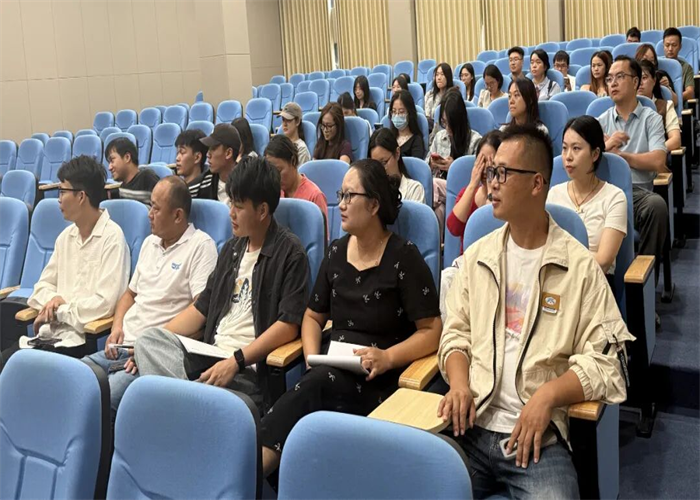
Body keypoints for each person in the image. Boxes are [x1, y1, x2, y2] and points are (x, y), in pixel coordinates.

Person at [438, 125, 633, 499]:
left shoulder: (578, 267)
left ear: (537, 183)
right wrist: (460, 383)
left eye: (502, 173)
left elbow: (609, 363)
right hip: (471, 425)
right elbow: (456, 333)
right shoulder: (478, 258)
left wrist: (547, 396)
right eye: (491, 172)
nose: (492, 184)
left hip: (537, 438)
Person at [259, 159, 442, 477]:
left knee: (310, 392)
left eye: (349, 196)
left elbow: (432, 330)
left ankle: (246, 475)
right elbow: (312, 317)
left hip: (380, 378)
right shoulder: (336, 253)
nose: (340, 205)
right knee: (314, 386)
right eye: (339, 195)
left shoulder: (404, 257)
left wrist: (388, 357)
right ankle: (258, 473)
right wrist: (311, 358)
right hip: (330, 370)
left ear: (373, 205)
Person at [133, 157, 310, 416]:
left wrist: (236, 361)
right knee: (148, 340)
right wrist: (157, 340)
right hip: (208, 355)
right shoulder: (232, 249)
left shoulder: (290, 253)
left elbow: (288, 324)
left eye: (238, 206)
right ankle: (191, 403)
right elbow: (201, 308)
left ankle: (183, 405)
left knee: (155, 396)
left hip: (246, 370)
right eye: (231, 203)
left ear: (262, 211)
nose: (231, 213)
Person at [83, 176, 218, 417]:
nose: (149, 214)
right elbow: (129, 294)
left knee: (103, 399)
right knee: (76, 379)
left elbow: (201, 310)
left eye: (155, 208)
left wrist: (150, 347)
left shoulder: (200, 246)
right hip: (122, 347)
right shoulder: (149, 243)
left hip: (154, 354)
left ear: (177, 215)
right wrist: (116, 326)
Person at [0, 156, 130, 364]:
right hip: (47, 337)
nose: (58, 199)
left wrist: (60, 310)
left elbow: (105, 304)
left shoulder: (112, 238)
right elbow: (41, 288)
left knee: (19, 372)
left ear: (81, 196)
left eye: (62, 191)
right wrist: (54, 300)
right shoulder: (65, 237)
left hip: (79, 342)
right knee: (5, 364)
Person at [597, 56, 668, 280]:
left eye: (620, 77)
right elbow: (587, 160)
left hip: (637, 193)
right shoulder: (600, 122)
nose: (613, 83)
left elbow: (658, 161)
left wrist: (620, 157)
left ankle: (643, 288)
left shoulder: (651, 119)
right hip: (605, 191)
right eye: (609, 78)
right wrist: (606, 146)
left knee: (656, 206)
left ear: (636, 81)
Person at [547, 117, 627, 278]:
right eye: (564, 148)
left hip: (596, 282)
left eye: (576, 148)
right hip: (556, 281)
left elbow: (603, 261)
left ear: (595, 154)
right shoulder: (553, 195)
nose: (568, 156)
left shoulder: (614, 197)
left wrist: (560, 261)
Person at [427, 89, 482, 237]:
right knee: (438, 211)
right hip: (442, 194)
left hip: (463, 191)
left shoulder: (475, 141)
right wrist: (432, 163)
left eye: (451, 123)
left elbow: (479, 179)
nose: (447, 128)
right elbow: (426, 167)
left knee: (433, 185)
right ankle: (439, 248)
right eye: (444, 122)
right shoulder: (439, 137)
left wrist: (455, 168)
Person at [446, 131, 502, 251]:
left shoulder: (506, 198)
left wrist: (491, 189)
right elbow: (454, 228)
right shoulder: (467, 192)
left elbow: (489, 230)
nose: (486, 169)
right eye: (482, 161)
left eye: (491, 163)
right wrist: (472, 185)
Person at [265, 135, 328, 227]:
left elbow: (321, 235)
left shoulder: (315, 196)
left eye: (278, 171)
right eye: (272, 172)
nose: (276, 177)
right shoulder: (273, 193)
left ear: (293, 161)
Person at [369, 128, 425, 203]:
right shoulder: (371, 191)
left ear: (397, 153)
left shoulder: (414, 190)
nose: (380, 169)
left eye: (384, 162)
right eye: (376, 165)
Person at [637, 60, 682, 152]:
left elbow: (675, 140)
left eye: (644, 78)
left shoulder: (666, 106)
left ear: (654, 81)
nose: (640, 83)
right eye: (637, 79)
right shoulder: (626, 106)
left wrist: (652, 152)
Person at [106, 137, 159, 206]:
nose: (109, 168)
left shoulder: (147, 177)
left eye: (112, 161)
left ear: (127, 157)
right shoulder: (122, 187)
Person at [199, 123, 242, 205]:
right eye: (208, 149)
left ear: (228, 153)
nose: (208, 154)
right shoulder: (202, 184)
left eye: (213, 148)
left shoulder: (247, 185)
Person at [175, 129, 214, 199]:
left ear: (197, 157)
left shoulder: (208, 190)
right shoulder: (175, 188)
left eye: (182, 152)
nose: (177, 158)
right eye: (177, 153)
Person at [388, 90, 426, 159]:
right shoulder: (389, 137)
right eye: (394, 111)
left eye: (401, 112)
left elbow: (416, 163)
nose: (397, 115)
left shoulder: (416, 140)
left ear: (410, 113)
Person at [662, 27, 694, 101]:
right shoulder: (657, 65)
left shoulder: (686, 67)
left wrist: (674, 98)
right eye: (667, 45)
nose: (670, 49)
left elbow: (690, 93)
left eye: (674, 45)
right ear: (663, 46)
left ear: (680, 46)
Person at [424, 63, 454, 127]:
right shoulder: (429, 94)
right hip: (429, 126)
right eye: (437, 75)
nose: (439, 78)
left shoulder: (452, 95)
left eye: (442, 74)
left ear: (448, 77)